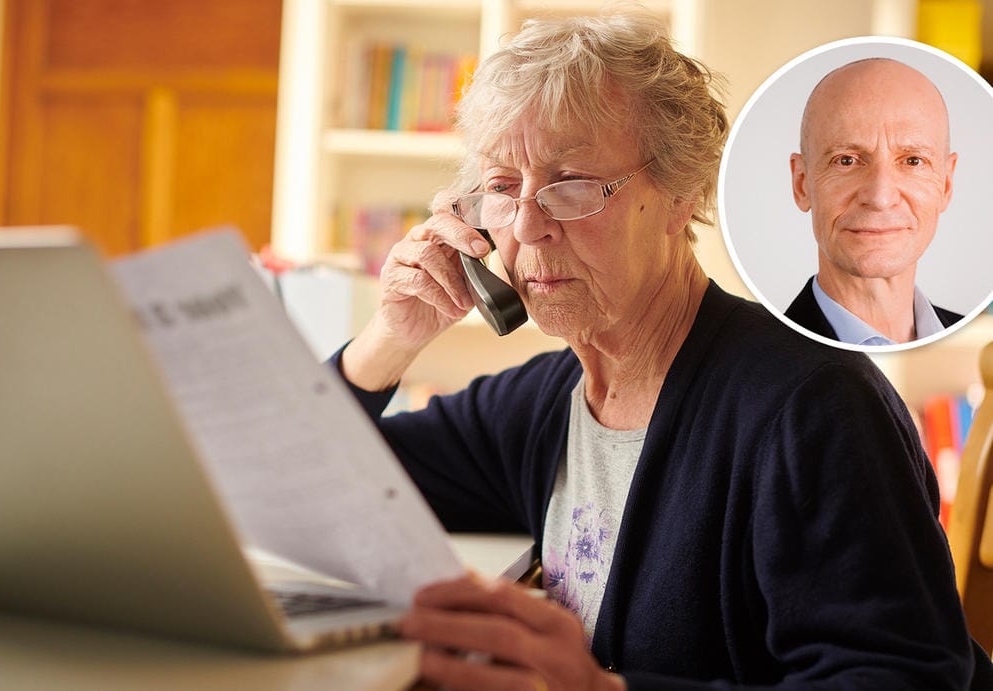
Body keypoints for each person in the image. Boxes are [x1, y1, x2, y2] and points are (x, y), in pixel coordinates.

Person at [333, 11, 989, 689]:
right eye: (502, 187)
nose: (528, 226)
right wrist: (392, 336)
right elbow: (314, 490)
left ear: (682, 195)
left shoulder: (815, 405)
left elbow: (900, 678)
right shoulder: (547, 402)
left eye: (573, 184)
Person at [786, 58, 963, 346]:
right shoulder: (756, 362)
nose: (880, 198)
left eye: (913, 161)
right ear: (802, 183)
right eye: (846, 161)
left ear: (945, 183)